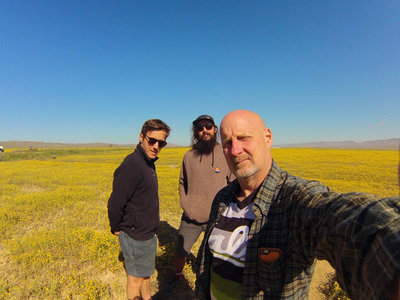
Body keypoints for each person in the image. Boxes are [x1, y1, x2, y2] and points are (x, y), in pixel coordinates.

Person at [195, 110, 400, 299]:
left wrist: (389, 245)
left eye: (243, 138)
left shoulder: (293, 199)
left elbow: (339, 217)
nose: (235, 150)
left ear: (267, 138)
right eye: (228, 142)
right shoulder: (223, 198)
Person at [167, 115, 234, 291]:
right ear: (196, 132)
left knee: (216, 256)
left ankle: (211, 282)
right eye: (200, 127)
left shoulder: (226, 153)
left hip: (218, 219)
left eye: (208, 126)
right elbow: (182, 182)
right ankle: (177, 276)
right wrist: (186, 204)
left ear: (215, 129)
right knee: (181, 251)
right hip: (191, 217)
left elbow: (234, 184)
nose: (204, 130)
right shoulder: (189, 156)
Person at [108, 119, 170, 300]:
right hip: (135, 234)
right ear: (141, 137)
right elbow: (115, 202)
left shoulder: (148, 163)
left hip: (147, 233)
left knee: (145, 275)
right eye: (152, 140)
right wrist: (116, 226)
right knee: (135, 279)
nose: (156, 146)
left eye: (161, 143)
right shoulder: (132, 165)